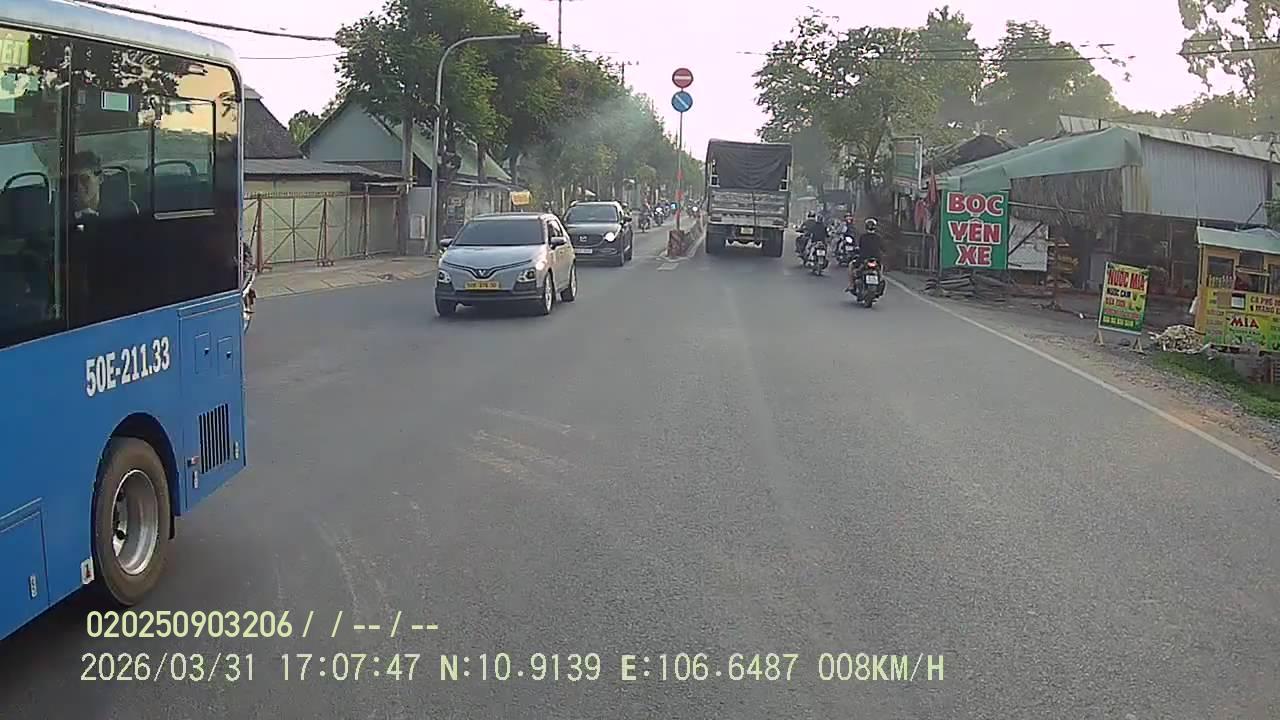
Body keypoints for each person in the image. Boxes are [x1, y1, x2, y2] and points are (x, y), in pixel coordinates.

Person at [849, 217, 883, 290]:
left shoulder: (863, 237)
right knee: (880, 267)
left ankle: (851, 285)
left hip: (863, 258)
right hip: (876, 258)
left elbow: (860, 247)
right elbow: (882, 248)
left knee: (851, 265)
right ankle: (880, 278)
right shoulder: (878, 237)